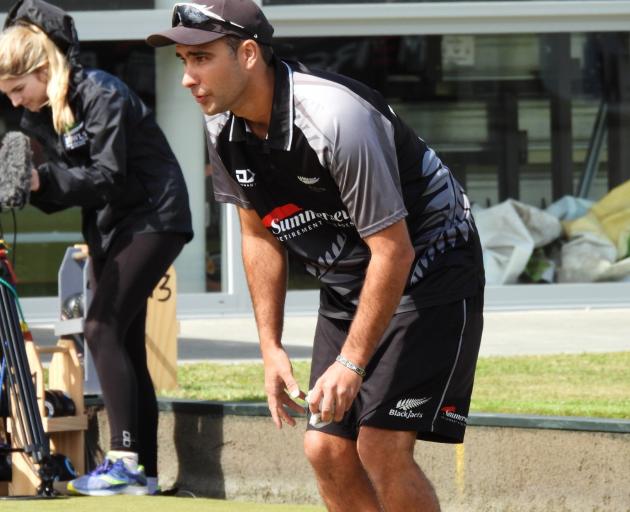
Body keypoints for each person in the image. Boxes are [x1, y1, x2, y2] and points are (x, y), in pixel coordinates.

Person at [148, 1, 484, 510]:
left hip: (431, 266)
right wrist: (270, 348)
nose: (188, 79)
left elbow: (393, 250)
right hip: (351, 278)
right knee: (325, 447)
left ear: (247, 53)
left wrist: (351, 362)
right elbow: (259, 235)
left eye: (202, 58)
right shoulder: (222, 123)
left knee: (379, 444)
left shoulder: (334, 117)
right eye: (183, 61)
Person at [0, 0, 193, 496]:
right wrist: (28, 184)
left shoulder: (103, 93)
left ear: (43, 69)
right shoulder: (39, 117)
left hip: (153, 217)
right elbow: (60, 186)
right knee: (122, 339)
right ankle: (142, 472)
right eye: (7, 95)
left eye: (19, 89)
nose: (16, 103)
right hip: (110, 227)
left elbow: (107, 175)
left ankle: (124, 463)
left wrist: (42, 181)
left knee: (100, 325)